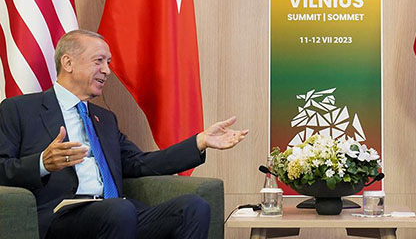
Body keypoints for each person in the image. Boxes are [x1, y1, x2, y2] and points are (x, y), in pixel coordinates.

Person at [0, 29, 249, 239]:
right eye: (99, 61)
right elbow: (2, 168)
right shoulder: (20, 110)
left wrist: (199, 142)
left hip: (118, 212)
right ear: (68, 63)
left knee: (193, 208)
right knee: (119, 210)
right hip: (61, 216)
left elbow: (139, 163)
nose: (107, 70)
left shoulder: (105, 119)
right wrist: (42, 163)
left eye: (108, 63)